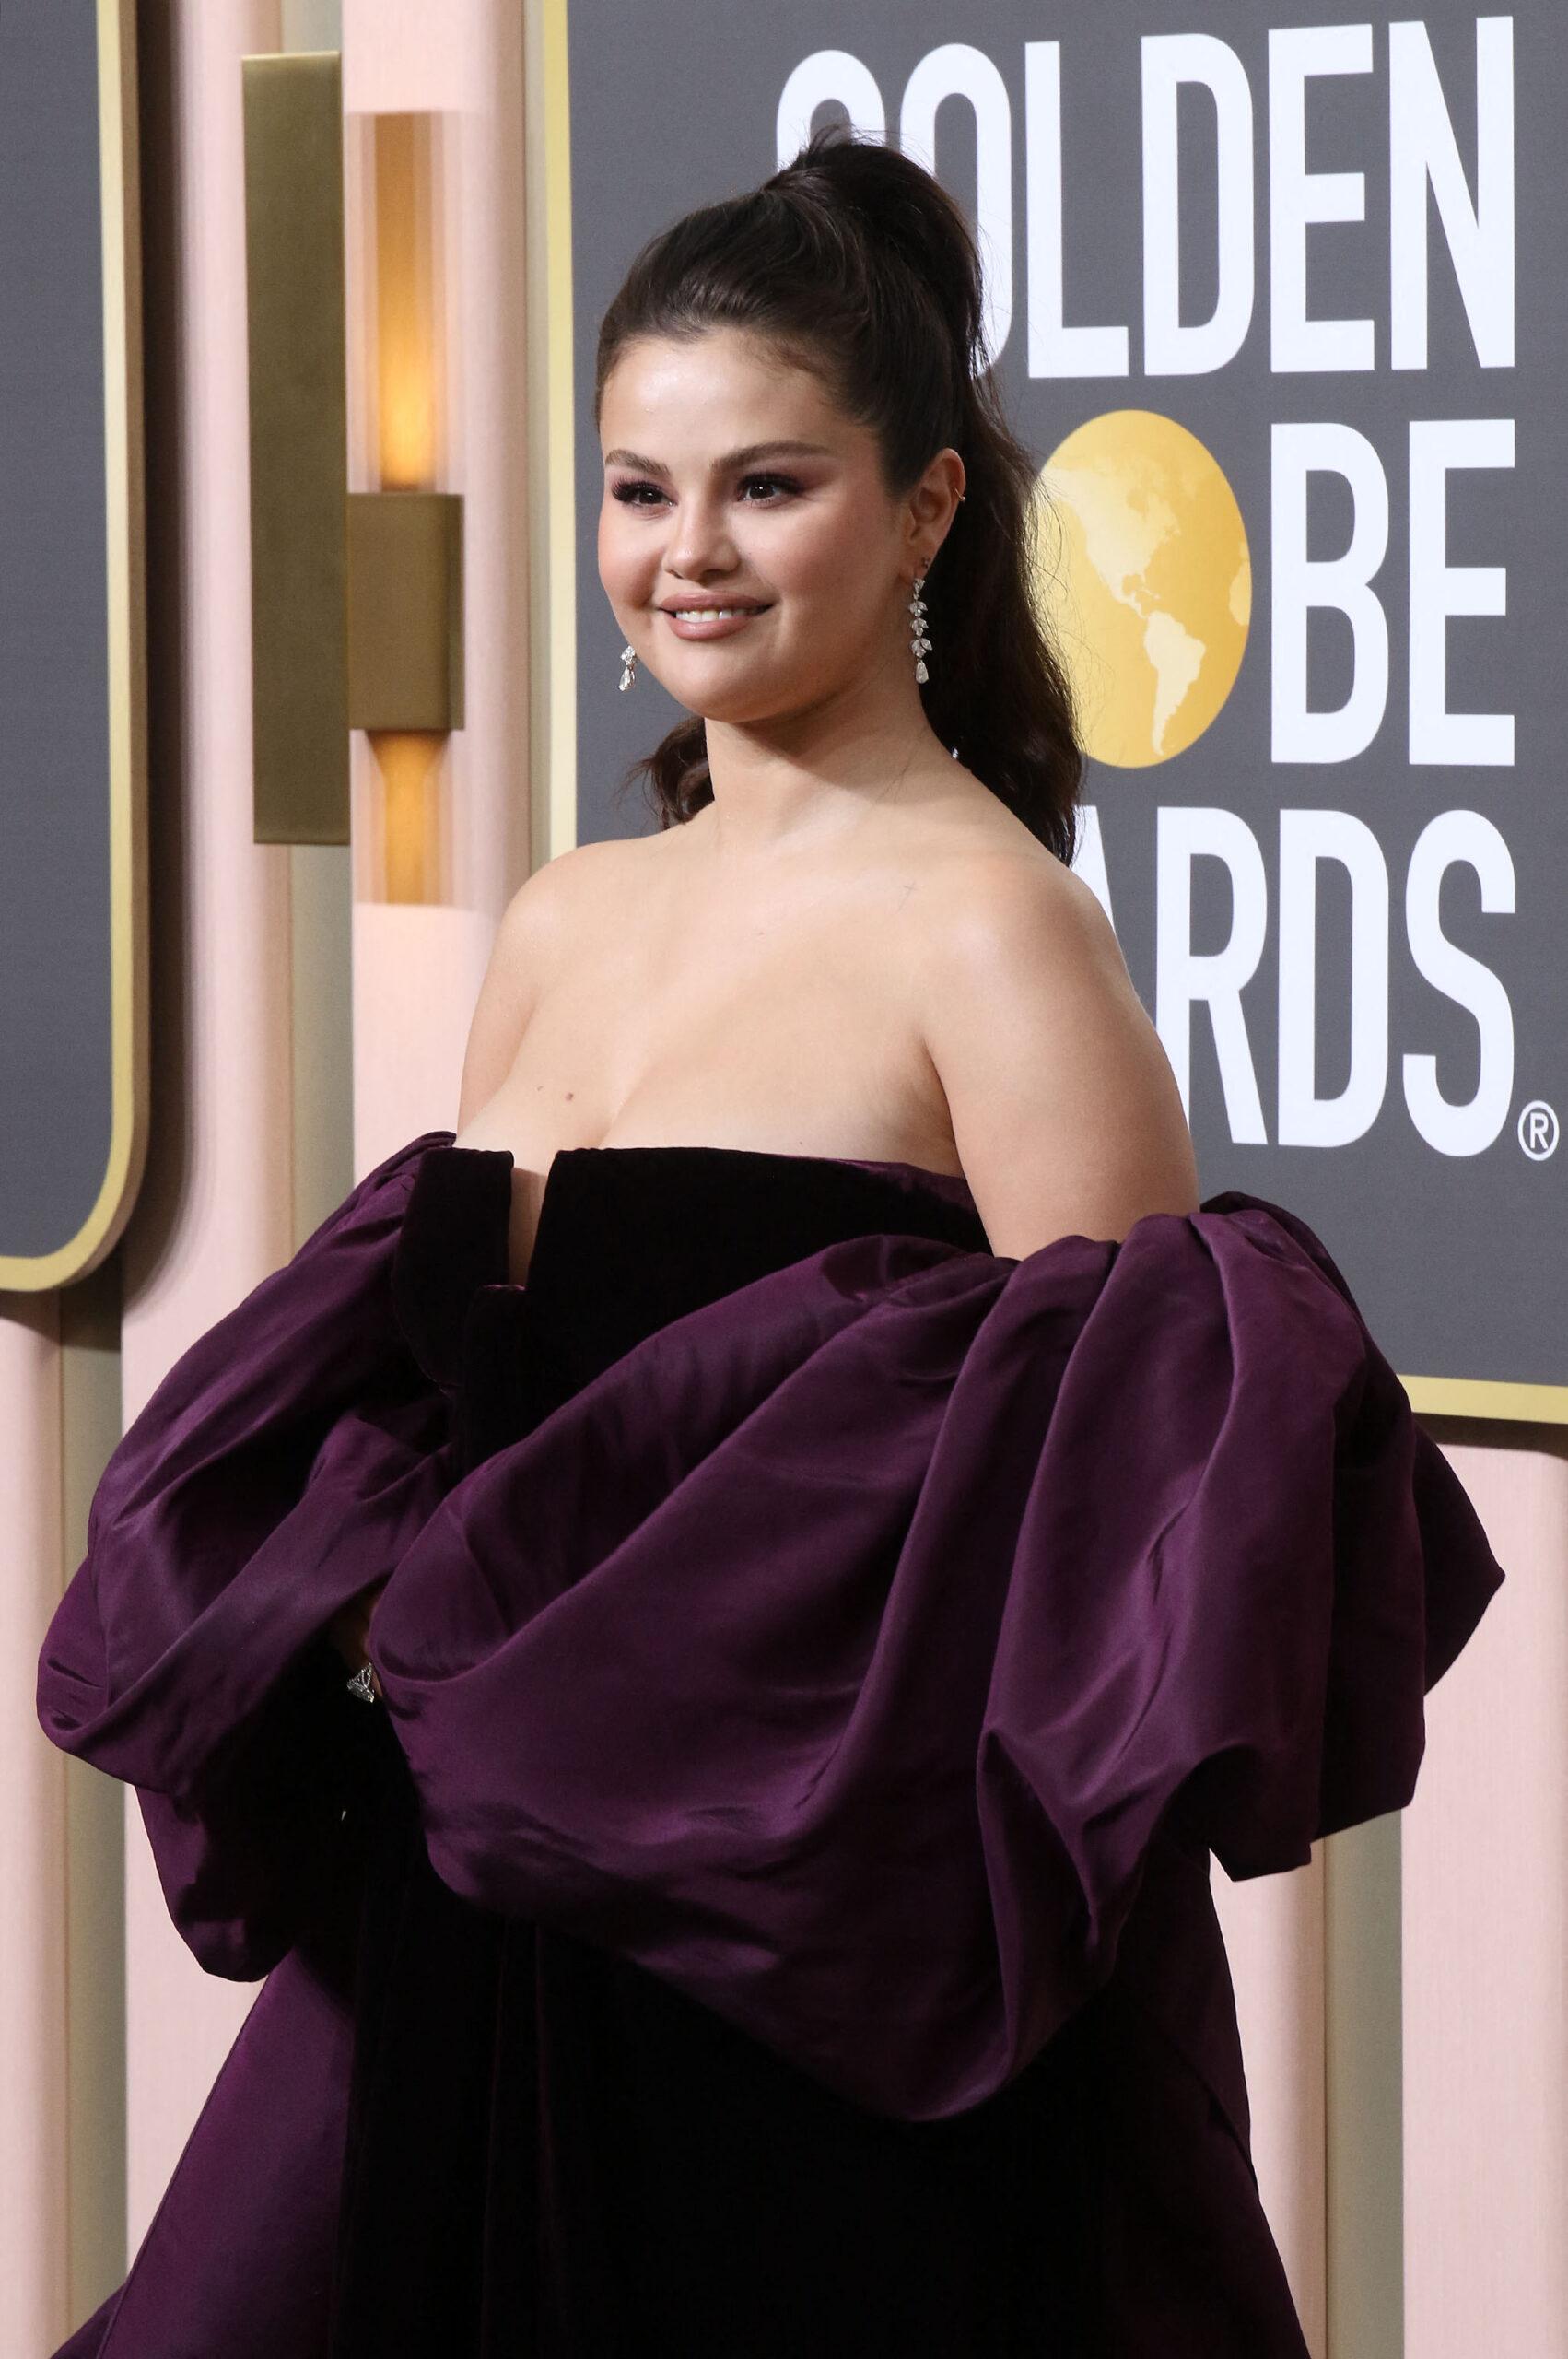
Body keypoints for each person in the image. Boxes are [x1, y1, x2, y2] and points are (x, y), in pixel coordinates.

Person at [39, 126, 1504, 2357]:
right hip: (467, 1919)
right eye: (638, 488)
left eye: (765, 485)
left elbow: (1103, 1567)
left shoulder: (994, 936)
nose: (684, 554)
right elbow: (469, 1403)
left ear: (924, 509)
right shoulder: (564, 913)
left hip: (804, 2024)